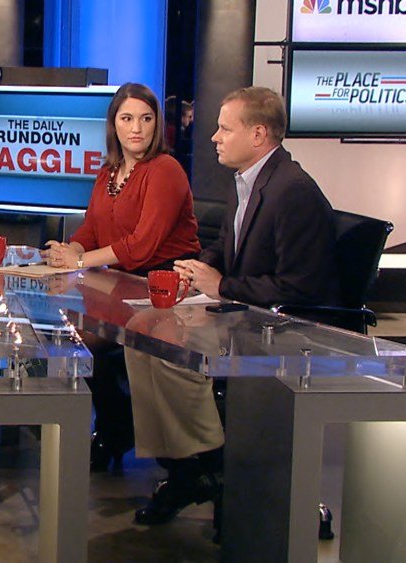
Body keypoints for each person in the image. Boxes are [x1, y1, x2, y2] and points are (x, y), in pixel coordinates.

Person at [126, 86, 339, 526]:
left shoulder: (293, 191)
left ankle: (213, 462)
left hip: (284, 328)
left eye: (225, 129)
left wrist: (222, 286)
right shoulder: (248, 180)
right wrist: (195, 271)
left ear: (258, 134)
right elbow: (226, 247)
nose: (214, 137)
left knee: (169, 356)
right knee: (141, 337)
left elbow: (301, 290)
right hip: (244, 312)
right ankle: (184, 469)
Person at [42, 82, 202, 473]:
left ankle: (122, 431)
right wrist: (69, 250)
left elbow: (142, 245)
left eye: (146, 119)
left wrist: (79, 261)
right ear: (113, 123)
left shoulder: (165, 170)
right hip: (120, 288)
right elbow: (92, 228)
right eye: (127, 118)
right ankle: (116, 426)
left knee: (79, 342)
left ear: (157, 124)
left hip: (161, 292)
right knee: (66, 339)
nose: (137, 128)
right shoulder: (109, 172)